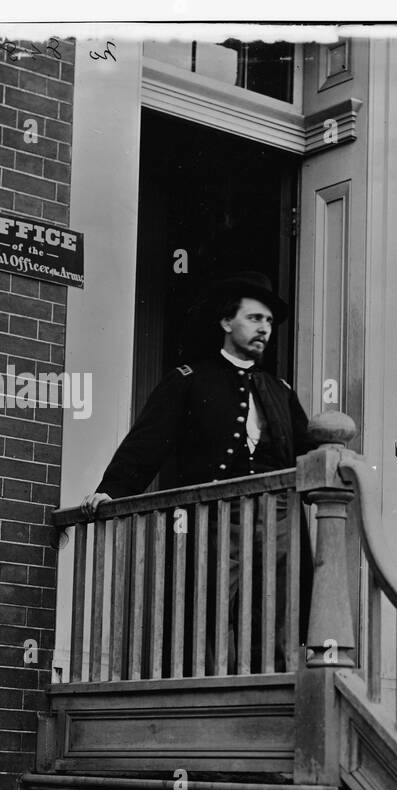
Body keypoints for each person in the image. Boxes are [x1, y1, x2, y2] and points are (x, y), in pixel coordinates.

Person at [81, 271, 315, 672]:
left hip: (278, 519)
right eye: (254, 319)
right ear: (227, 322)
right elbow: (148, 442)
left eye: (269, 323)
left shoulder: (281, 391)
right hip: (216, 518)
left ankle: (275, 683)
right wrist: (112, 490)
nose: (264, 329)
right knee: (212, 606)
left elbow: (307, 452)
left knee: (278, 605)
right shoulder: (189, 380)